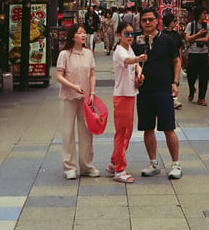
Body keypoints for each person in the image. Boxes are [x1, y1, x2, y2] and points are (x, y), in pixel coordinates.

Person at [133, 6, 182, 179]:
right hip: (144, 91)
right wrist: (136, 76)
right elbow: (133, 63)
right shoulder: (137, 41)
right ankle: (153, 162)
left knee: (169, 128)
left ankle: (175, 164)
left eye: (150, 19)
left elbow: (177, 61)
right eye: (144, 20)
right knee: (147, 128)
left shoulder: (167, 40)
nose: (147, 22)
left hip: (163, 89)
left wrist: (175, 83)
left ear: (157, 21)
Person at [55, 22, 100, 180]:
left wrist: (92, 92)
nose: (82, 35)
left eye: (84, 32)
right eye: (79, 32)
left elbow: (92, 74)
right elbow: (59, 76)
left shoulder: (88, 53)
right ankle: (70, 167)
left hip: (86, 97)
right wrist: (73, 86)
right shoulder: (65, 54)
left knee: (87, 131)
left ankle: (87, 165)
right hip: (68, 97)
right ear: (72, 36)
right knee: (67, 132)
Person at [107, 21, 147, 183]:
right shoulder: (119, 51)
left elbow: (135, 64)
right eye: (127, 34)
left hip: (129, 94)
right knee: (122, 132)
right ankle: (119, 169)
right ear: (119, 35)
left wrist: (139, 73)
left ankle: (114, 161)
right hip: (122, 95)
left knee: (127, 131)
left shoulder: (127, 48)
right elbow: (130, 60)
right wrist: (140, 58)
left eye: (132, 34)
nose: (130, 37)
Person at [184, 5, 209, 105]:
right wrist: (198, 34)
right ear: (199, 15)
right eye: (204, 13)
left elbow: (206, 39)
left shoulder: (207, 26)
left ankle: (201, 98)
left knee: (204, 76)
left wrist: (194, 39)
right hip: (192, 53)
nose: (205, 15)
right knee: (191, 76)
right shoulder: (190, 25)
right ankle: (192, 90)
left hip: (203, 53)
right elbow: (187, 38)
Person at [162, 11, 183, 109]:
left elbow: (179, 49)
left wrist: (180, 60)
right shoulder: (162, 35)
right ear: (169, 22)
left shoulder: (177, 35)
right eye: (174, 21)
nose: (175, 22)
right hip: (165, 61)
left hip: (175, 61)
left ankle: (174, 98)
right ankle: (170, 98)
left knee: (175, 79)